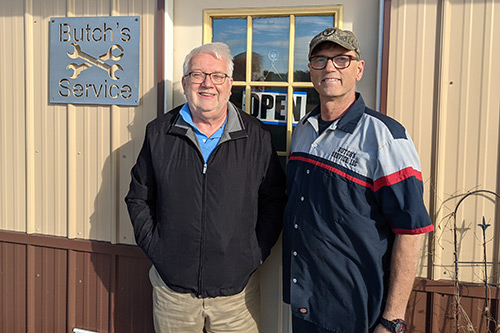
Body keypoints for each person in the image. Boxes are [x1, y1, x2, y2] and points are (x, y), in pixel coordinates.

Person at [125, 42, 286, 333]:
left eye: (217, 75)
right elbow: (139, 198)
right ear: (186, 83)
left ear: (230, 84)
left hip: (236, 298)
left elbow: (273, 200)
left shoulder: (256, 137)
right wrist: (158, 249)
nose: (207, 84)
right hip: (173, 295)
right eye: (197, 75)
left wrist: (254, 253)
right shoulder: (159, 133)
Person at [282, 27, 434, 333]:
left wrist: (392, 319)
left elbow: (411, 230)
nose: (329, 68)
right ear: (310, 70)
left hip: (356, 310)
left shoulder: (385, 138)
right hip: (305, 300)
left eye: (341, 59)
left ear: (359, 68)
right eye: (320, 60)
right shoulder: (304, 130)